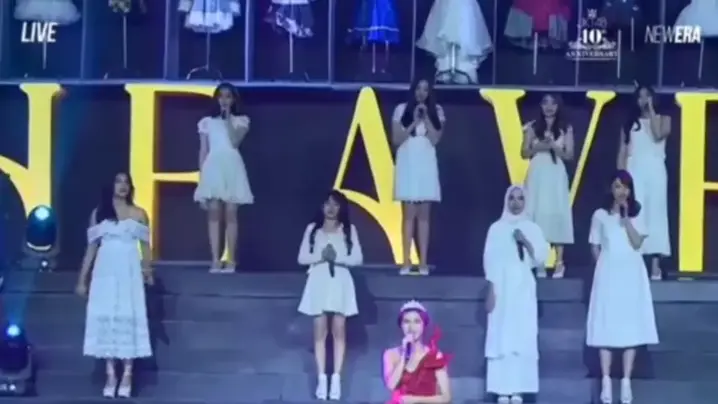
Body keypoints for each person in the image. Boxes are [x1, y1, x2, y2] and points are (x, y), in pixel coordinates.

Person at [76, 172, 153, 398]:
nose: (123, 186)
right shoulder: (99, 214)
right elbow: (91, 248)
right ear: (110, 185)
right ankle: (111, 374)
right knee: (108, 317)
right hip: (105, 272)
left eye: (126, 182)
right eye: (118, 182)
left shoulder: (139, 214)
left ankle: (128, 373)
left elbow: (146, 248)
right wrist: (82, 280)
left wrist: (147, 270)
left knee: (127, 315)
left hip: (129, 272)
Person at [586, 170, 659, 404]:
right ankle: (606, 381)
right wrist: (602, 268)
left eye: (626, 187)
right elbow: (595, 245)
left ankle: (626, 382)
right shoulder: (600, 215)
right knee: (606, 325)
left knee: (630, 325)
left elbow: (637, 243)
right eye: (617, 186)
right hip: (609, 273)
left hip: (631, 274)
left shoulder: (637, 213)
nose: (622, 191)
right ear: (611, 188)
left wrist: (626, 220)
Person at [484, 185, 549, 404]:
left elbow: (540, 258)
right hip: (501, 287)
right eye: (512, 198)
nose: (516, 203)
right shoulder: (496, 228)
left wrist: (526, 241)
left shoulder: (532, 228)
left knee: (521, 336)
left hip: (523, 288)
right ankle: (502, 389)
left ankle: (519, 389)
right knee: (501, 335)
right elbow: (489, 259)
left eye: (520, 198)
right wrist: (491, 289)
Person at [297, 190, 364, 400]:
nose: (331, 208)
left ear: (341, 207)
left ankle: (336, 379)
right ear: (321, 207)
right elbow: (302, 257)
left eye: (335, 204)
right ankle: (321, 379)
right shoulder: (313, 229)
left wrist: (337, 258)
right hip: (319, 280)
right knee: (319, 331)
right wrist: (321, 256)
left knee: (339, 330)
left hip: (340, 282)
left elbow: (357, 258)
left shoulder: (348, 230)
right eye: (327, 204)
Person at [194, 82, 254, 273]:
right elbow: (203, 150)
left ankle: (231, 260)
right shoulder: (207, 122)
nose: (224, 100)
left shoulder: (241, 121)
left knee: (230, 213)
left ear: (233, 99)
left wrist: (228, 120)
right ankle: (215, 260)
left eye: (228, 96)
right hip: (213, 166)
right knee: (213, 213)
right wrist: (202, 179)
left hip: (232, 166)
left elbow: (235, 142)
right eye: (221, 96)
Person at [391, 78, 445, 275]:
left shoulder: (437, 110)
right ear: (413, 90)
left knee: (424, 216)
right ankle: (405, 261)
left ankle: (423, 262)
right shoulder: (401, 109)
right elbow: (396, 138)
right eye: (418, 89)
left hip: (425, 162)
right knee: (408, 215)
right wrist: (414, 120)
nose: (421, 93)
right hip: (408, 161)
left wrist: (426, 118)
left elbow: (435, 139)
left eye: (425, 90)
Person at [617, 85, 671, 281]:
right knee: (636, 214)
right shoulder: (629, 123)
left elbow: (658, 134)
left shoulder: (664, 119)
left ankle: (655, 266)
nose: (644, 100)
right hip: (635, 170)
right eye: (640, 97)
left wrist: (652, 111)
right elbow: (622, 152)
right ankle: (635, 261)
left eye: (647, 96)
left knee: (656, 215)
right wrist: (620, 177)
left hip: (655, 170)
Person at [521, 93, 574, 278]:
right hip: (537, 173)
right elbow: (524, 152)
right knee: (536, 213)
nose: (549, 107)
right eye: (545, 103)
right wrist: (539, 147)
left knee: (557, 213)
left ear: (558, 106)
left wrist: (553, 146)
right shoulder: (532, 127)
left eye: (553, 103)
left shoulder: (565, 128)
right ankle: (539, 262)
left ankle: (559, 262)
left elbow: (569, 155)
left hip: (555, 173)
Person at [382, 300, 452, 404]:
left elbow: (446, 397)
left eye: (417, 322)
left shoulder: (435, 356)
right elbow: (391, 386)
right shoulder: (391, 354)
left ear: (424, 325)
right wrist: (404, 355)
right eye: (406, 322)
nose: (411, 327)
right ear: (401, 325)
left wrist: (415, 400)